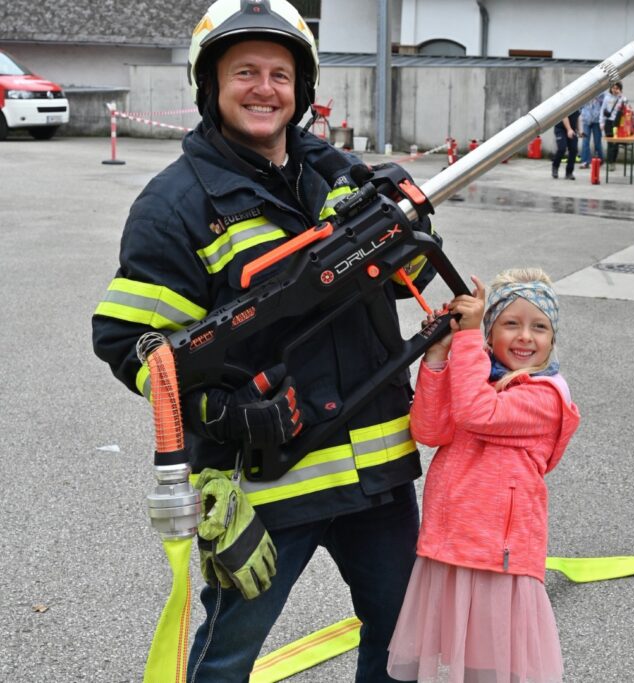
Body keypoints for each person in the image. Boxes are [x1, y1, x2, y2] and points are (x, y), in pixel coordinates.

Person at [91, 1, 438, 680]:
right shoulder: (176, 206)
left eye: (280, 74)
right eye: (244, 71)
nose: (264, 88)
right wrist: (217, 412)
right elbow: (129, 341)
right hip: (266, 483)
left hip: (377, 475)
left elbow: (414, 278)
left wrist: (408, 233)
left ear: (300, 90)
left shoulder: (341, 177)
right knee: (226, 659)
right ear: (212, 86)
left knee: (404, 641)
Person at [387, 268, 582, 683]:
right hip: (453, 543)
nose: (525, 336)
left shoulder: (546, 396)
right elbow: (430, 430)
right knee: (465, 662)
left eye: (539, 327)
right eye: (511, 323)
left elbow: (478, 413)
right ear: (492, 332)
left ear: (552, 339)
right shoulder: (475, 376)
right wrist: (439, 356)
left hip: (499, 556)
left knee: (490, 669)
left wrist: (468, 340)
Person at [601, 82, 628, 171]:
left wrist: (621, 97)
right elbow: (602, 110)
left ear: (620, 89)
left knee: (616, 144)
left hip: (618, 124)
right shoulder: (607, 98)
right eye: (613, 88)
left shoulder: (622, 99)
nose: (615, 90)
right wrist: (601, 122)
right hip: (609, 123)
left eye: (617, 88)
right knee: (610, 143)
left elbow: (626, 107)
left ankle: (613, 162)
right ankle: (609, 163)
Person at [578, 91, 605, 169]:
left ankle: (599, 160)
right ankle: (585, 161)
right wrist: (582, 114)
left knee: (597, 141)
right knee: (585, 141)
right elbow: (580, 106)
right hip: (586, 120)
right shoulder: (584, 93)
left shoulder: (601, 93)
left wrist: (602, 121)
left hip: (597, 120)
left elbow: (603, 107)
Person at [551, 109, 580, 180]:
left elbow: (578, 118)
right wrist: (569, 129)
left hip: (572, 129)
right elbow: (564, 116)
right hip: (560, 129)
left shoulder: (578, 105)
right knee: (562, 148)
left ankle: (569, 172)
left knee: (574, 149)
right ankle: (555, 167)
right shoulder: (568, 104)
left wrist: (580, 131)